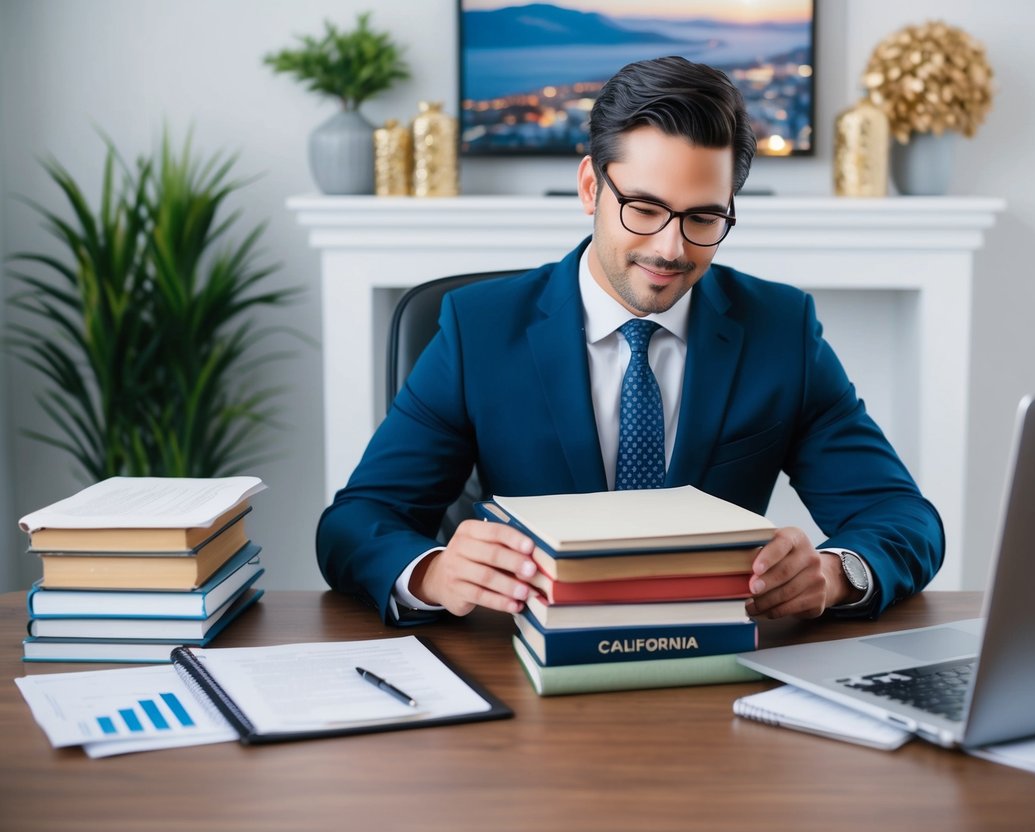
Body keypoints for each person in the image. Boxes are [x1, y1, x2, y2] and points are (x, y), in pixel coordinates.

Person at [316, 56, 944, 626]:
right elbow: (356, 521)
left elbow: (903, 517)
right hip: (526, 673)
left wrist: (838, 573)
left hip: (717, 673)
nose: (671, 249)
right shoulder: (476, 329)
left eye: (704, 218)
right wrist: (430, 573)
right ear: (591, 187)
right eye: (643, 209)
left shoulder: (781, 330)